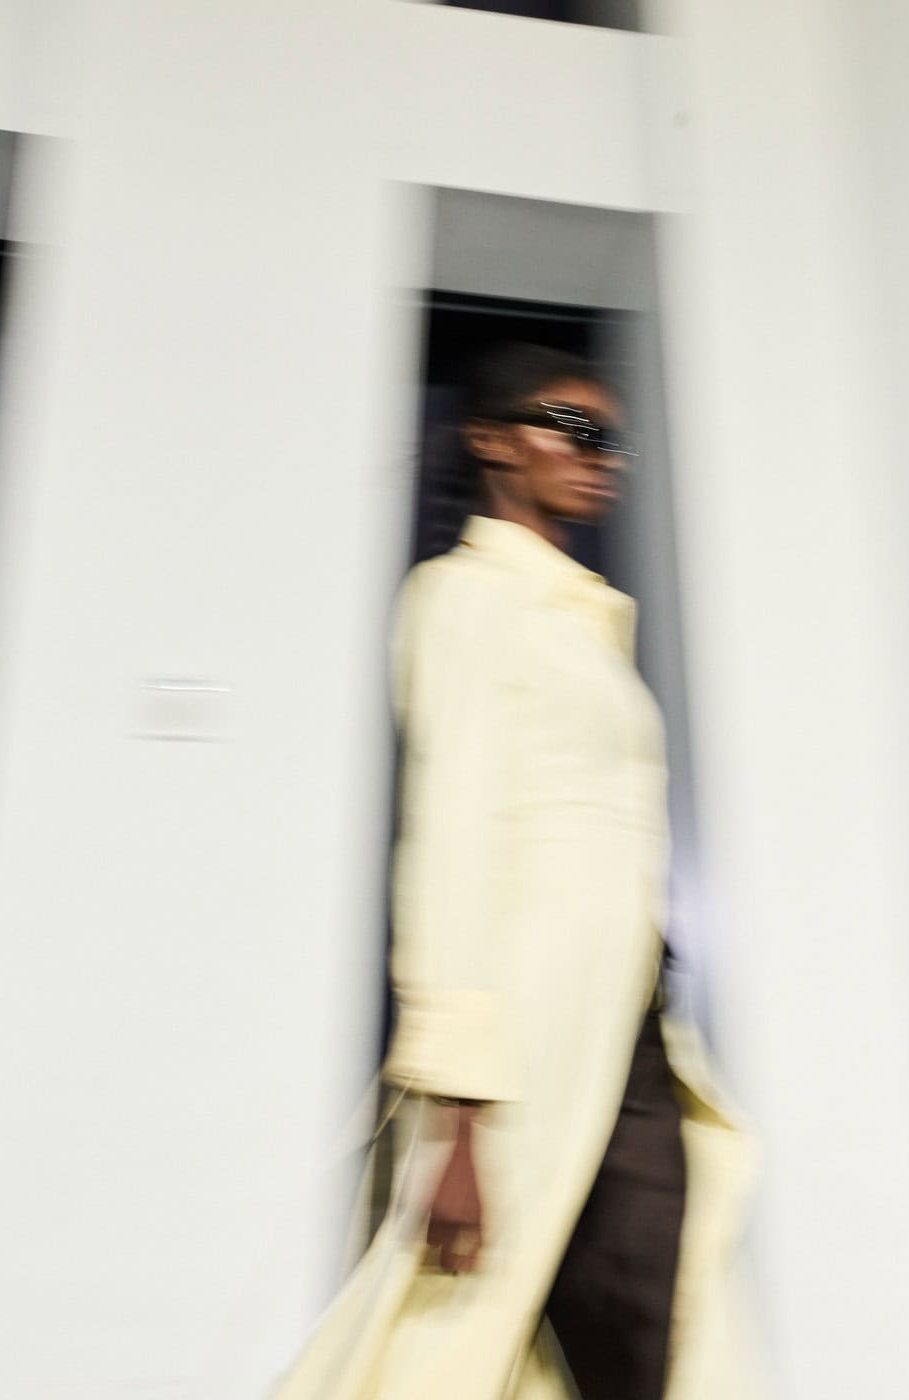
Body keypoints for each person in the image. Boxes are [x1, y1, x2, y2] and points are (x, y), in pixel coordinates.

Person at [273, 345, 757, 1400]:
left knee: (642, 1325)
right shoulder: (462, 596)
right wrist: (458, 1119)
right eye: (569, 426)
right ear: (491, 441)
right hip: (522, 1048)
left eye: (610, 437)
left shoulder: (580, 617)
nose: (598, 453)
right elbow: (447, 848)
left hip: (625, 1026)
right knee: (473, 1339)